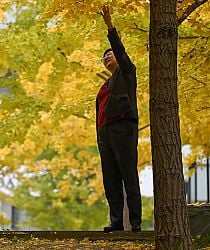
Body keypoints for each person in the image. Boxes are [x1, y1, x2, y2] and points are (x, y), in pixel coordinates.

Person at [96, 5, 142, 233]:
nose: (106, 58)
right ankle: (116, 222)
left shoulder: (127, 72)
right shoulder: (105, 85)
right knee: (111, 180)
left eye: (109, 55)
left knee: (128, 176)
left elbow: (120, 50)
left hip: (123, 128)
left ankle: (135, 223)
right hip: (105, 134)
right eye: (104, 58)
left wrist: (109, 26)